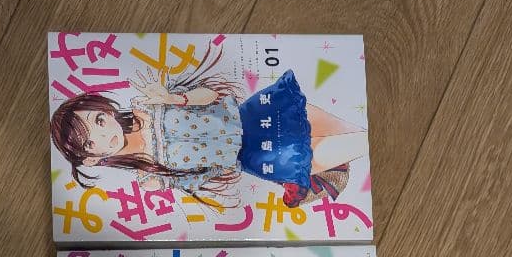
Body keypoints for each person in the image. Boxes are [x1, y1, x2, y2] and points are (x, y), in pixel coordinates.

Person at [50, 44, 367, 207]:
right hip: (253, 156)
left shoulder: (146, 105)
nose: (105, 134)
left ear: (105, 109)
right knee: (332, 151)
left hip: (250, 115)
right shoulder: (149, 176)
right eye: (91, 142)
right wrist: (172, 182)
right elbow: (204, 174)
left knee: (348, 128)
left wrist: (174, 99)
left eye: (99, 120)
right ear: (89, 159)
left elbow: (210, 96)